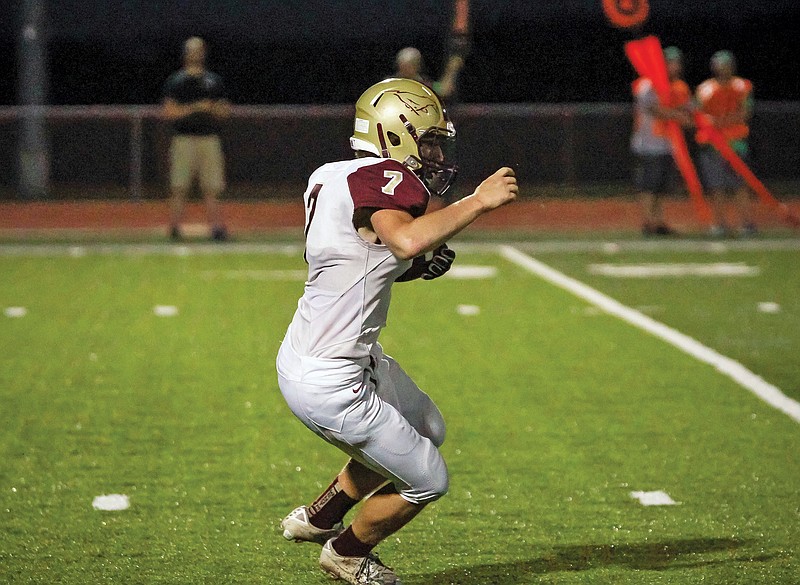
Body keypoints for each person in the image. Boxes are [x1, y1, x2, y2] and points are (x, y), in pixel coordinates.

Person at [276, 77, 517, 585]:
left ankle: (318, 517)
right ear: (395, 133)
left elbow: (355, 255)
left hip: (328, 355)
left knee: (428, 428)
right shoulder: (385, 176)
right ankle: (345, 552)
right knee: (428, 478)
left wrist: (409, 269)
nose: (433, 153)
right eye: (427, 140)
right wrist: (478, 202)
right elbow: (404, 240)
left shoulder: (330, 175)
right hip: (330, 378)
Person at [162, 37, 230, 241]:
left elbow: (224, 109)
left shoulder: (213, 81)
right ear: (185, 53)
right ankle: (174, 227)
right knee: (179, 185)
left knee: (212, 186)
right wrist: (195, 108)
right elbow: (169, 112)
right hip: (184, 140)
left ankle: (216, 228)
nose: (195, 54)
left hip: (209, 139)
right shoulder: (177, 81)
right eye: (191, 50)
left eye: (199, 50)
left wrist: (213, 108)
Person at [630, 46, 693, 236]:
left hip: (668, 144)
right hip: (648, 144)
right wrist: (678, 115)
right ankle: (648, 222)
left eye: (677, 63)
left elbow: (689, 108)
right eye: (671, 63)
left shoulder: (679, 86)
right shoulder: (647, 84)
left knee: (661, 186)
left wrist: (691, 117)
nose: (675, 67)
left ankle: (658, 222)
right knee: (649, 185)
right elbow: (653, 108)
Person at [695, 50, 756, 237]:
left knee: (739, 184)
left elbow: (746, 112)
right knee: (716, 186)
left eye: (726, 64)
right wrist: (711, 123)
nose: (723, 68)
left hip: (736, 142)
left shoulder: (742, 86)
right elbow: (699, 115)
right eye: (720, 65)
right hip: (713, 144)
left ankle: (746, 223)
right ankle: (719, 224)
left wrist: (719, 122)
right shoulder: (705, 88)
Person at [394, 47, 464, 101]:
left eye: (410, 66)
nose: (406, 69)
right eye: (403, 66)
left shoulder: (424, 84)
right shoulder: (392, 84)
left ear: (417, 66)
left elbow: (443, 90)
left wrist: (451, 69)